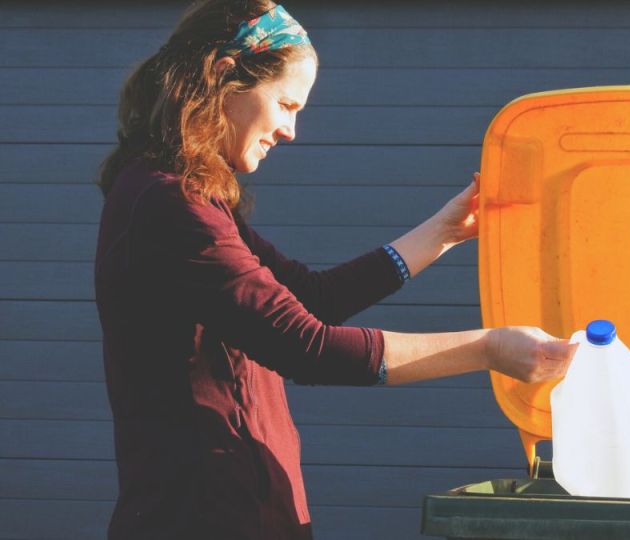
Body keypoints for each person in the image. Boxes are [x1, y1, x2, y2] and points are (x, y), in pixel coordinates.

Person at [93, 1, 577, 538]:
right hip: (202, 516)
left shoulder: (192, 201)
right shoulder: (171, 206)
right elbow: (307, 345)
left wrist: (443, 232)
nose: (291, 131)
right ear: (225, 77)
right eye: (285, 104)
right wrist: (489, 349)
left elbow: (310, 296)